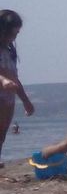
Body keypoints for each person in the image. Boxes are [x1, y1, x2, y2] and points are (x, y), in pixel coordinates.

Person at [0, 10, 35, 169]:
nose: (15, 37)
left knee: (2, 133)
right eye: (13, 32)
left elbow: (15, 78)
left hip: (8, 98)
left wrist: (26, 100)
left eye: (17, 33)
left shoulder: (9, 50)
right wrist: (3, 80)